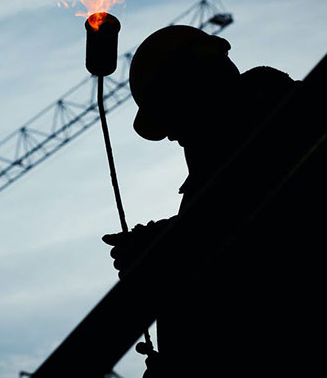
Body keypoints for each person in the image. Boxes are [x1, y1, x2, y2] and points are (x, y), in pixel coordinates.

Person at [101, 25, 322, 378]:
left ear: (198, 89)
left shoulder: (292, 125)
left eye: (172, 114)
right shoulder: (215, 183)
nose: (171, 135)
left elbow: (260, 238)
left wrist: (166, 247)